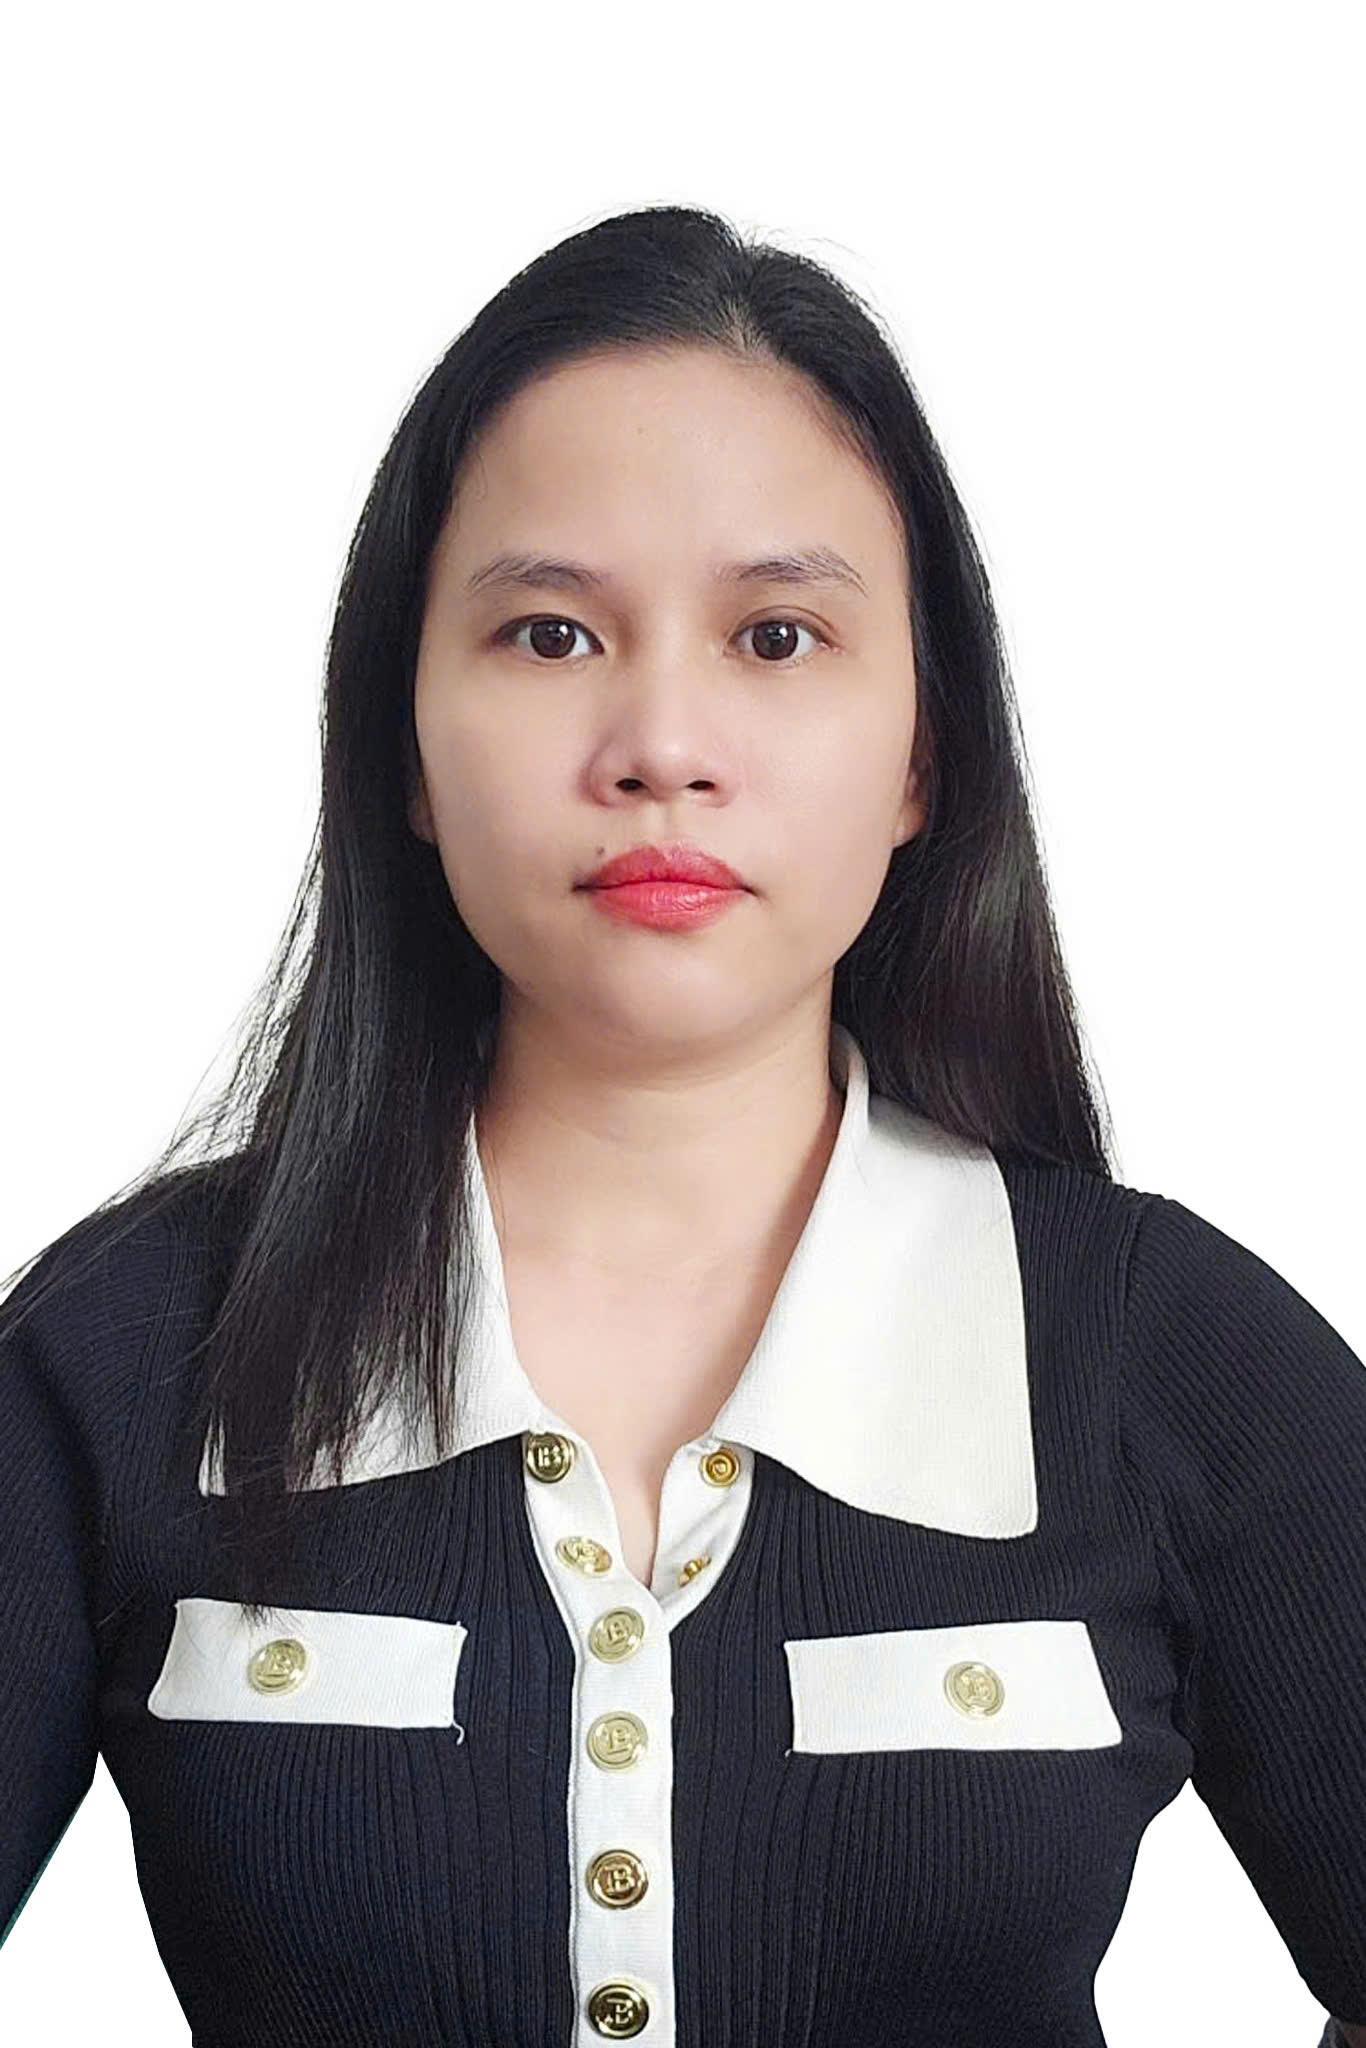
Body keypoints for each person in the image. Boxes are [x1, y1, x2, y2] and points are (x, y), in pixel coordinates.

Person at [2, 203, 1363, 2048]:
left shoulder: (1169, 1354)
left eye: (776, 637)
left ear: (921, 750)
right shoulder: (131, 1344)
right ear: (405, 746)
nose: (660, 742)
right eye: (549, 633)